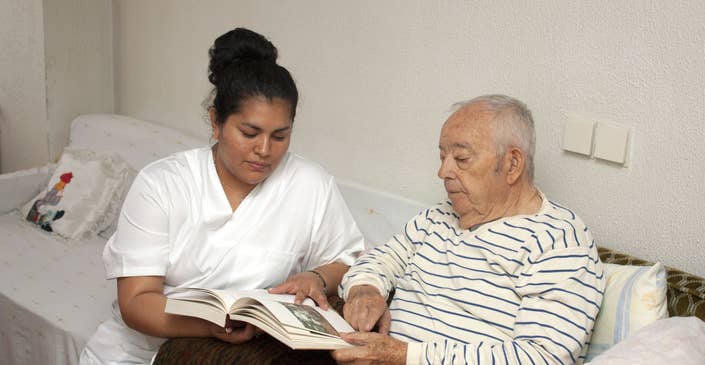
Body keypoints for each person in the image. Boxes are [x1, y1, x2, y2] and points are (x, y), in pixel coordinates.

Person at [79, 27, 364, 365]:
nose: (264, 150)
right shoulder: (163, 184)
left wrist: (315, 277)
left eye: (280, 136)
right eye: (249, 133)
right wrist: (210, 325)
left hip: (237, 355)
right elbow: (137, 301)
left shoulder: (310, 184)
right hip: (138, 353)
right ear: (216, 122)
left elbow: (348, 262)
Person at [332, 95, 605, 365]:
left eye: (461, 158)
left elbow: (541, 357)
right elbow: (381, 258)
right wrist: (364, 289)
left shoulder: (558, 240)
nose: (443, 171)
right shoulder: (437, 217)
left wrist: (403, 356)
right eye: (442, 156)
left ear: (512, 164)